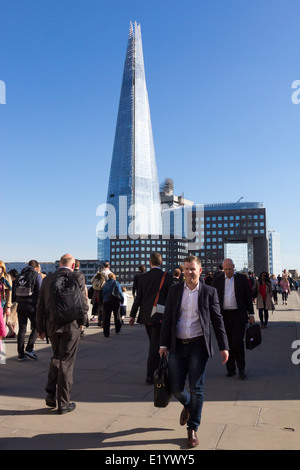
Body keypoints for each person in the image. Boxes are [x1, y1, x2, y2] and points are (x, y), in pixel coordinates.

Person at [159, 255, 229, 449]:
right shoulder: (174, 291)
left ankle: (192, 428)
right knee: (175, 388)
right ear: (183, 271)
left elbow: (217, 320)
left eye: (193, 269)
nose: (189, 272)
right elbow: (167, 319)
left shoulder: (209, 292)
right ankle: (189, 406)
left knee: (197, 389)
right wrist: (163, 344)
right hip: (177, 345)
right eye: (186, 269)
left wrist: (224, 346)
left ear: (200, 271)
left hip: (199, 346)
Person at [36, 254, 89, 414]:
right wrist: (83, 322)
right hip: (70, 325)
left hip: (51, 325)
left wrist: (40, 328)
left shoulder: (47, 279)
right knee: (66, 361)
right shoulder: (77, 276)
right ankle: (63, 403)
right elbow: (82, 301)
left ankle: (51, 394)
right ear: (73, 266)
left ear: (59, 264)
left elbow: (41, 305)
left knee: (56, 357)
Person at [129, 252, 173, 385]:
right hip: (161, 315)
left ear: (150, 263)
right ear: (161, 262)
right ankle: (152, 374)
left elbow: (139, 297)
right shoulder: (167, 276)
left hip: (147, 316)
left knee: (154, 343)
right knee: (157, 345)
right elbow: (171, 297)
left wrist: (132, 315)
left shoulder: (143, 277)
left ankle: (157, 370)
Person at [212, 258, 255, 380]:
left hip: (238, 316)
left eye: (230, 269)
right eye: (225, 269)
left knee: (237, 343)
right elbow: (213, 298)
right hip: (223, 316)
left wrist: (251, 314)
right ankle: (230, 369)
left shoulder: (241, 279)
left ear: (234, 267)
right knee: (227, 344)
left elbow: (248, 297)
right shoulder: (218, 279)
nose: (228, 271)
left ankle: (241, 369)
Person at [15, 260, 42, 361]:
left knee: (22, 329)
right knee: (37, 326)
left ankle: (20, 354)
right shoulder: (36, 275)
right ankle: (29, 348)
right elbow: (40, 291)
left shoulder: (20, 276)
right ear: (36, 268)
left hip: (20, 305)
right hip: (32, 305)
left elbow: (15, 291)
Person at [102, 273, 123, 337]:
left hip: (106, 301)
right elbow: (120, 292)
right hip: (115, 301)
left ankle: (106, 332)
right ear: (114, 277)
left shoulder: (105, 284)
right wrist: (122, 299)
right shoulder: (116, 283)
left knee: (106, 317)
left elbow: (103, 293)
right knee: (116, 316)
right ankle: (117, 329)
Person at [0, 261, 12, 346]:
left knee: (1, 326)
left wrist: (8, 306)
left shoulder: (7, 277)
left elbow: (9, 293)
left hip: (2, 305)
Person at [6, 269, 18, 338]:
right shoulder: (17, 282)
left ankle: (12, 331)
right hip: (16, 302)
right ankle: (12, 332)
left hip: (11, 302)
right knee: (13, 319)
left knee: (7, 319)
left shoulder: (11, 283)